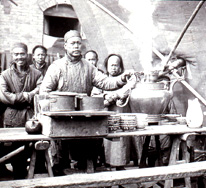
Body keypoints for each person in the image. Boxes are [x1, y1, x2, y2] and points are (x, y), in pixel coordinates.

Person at [40, 30, 132, 175]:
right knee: (61, 163)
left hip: (84, 121)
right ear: (65, 46)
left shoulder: (88, 67)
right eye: (72, 43)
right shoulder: (56, 67)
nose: (76, 46)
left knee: (86, 158)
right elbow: (44, 92)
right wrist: (63, 99)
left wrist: (122, 79)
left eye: (79, 43)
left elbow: (106, 82)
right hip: (60, 122)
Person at [0, 42, 43, 179]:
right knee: (14, 150)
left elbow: (41, 90)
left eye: (22, 54)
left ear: (27, 55)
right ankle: (17, 179)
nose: (19, 57)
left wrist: (29, 95)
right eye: (16, 54)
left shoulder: (37, 73)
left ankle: (28, 179)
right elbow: (4, 96)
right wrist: (22, 96)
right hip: (12, 116)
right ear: (12, 56)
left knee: (31, 149)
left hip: (31, 117)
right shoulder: (5, 75)